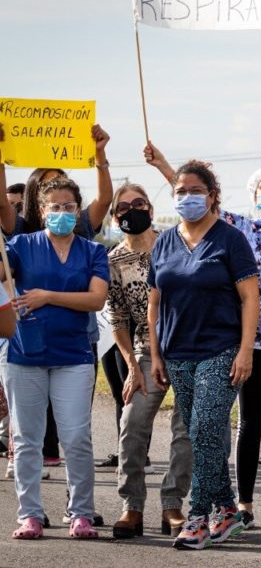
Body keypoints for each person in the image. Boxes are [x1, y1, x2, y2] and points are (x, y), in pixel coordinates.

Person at [147, 160, 259, 551]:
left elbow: (250, 298)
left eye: (196, 191)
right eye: (180, 192)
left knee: (206, 428)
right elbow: (155, 301)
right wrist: (155, 352)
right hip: (177, 352)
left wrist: (246, 350)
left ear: (212, 196)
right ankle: (227, 509)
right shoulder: (162, 242)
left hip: (222, 349)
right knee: (202, 435)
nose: (187, 198)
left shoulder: (231, 239)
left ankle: (198, 516)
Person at [0, 176, 109, 540]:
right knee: (28, 439)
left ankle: (80, 513)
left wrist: (46, 295)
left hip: (74, 356)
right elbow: (2, 274)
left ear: (77, 211)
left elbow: (96, 300)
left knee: (77, 437)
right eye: (54, 206)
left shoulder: (92, 251)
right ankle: (29, 514)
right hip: (24, 354)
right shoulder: (19, 245)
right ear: (42, 210)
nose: (61, 212)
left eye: (68, 206)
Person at [0, 124, 113, 472]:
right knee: (30, 426)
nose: (60, 205)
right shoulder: (20, 233)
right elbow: (1, 202)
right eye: (49, 185)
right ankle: (30, 497)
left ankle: (77, 500)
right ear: (38, 197)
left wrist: (99, 156)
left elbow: (105, 200)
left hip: (75, 338)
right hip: (29, 339)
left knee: (75, 426)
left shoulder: (80, 229)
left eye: (63, 183)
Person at [106, 182, 192, 539]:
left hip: (187, 349)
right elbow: (118, 317)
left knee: (186, 430)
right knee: (132, 423)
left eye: (138, 204)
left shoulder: (176, 243)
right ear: (115, 217)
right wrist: (130, 366)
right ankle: (132, 507)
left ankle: (172, 504)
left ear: (151, 209)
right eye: (123, 208)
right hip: (143, 351)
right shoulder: (112, 260)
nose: (132, 211)